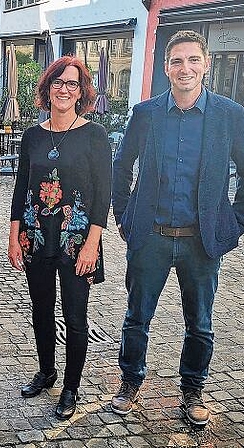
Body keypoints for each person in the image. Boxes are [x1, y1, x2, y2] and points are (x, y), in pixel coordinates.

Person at [111, 30, 244, 427]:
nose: (185, 68)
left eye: (193, 60)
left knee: (200, 323)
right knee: (136, 318)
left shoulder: (230, 115)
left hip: (201, 242)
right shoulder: (146, 113)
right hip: (150, 236)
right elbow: (122, 166)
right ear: (166, 68)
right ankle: (131, 382)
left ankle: (193, 390)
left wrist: (234, 222)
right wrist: (125, 216)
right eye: (177, 61)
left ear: (205, 65)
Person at [7, 56, 111, 419]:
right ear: (47, 88)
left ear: (81, 92)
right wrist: (13, 232)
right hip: (37, 236)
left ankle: (70, 386)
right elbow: (21, 186)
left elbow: (103, 195)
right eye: (58, 83)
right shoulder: (32, 136)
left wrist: (93, 243)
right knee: (41, 310)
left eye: (72, 84)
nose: (64, 89)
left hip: (77, 239)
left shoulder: (95, 136)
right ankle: (47, 371)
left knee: (76, 316)